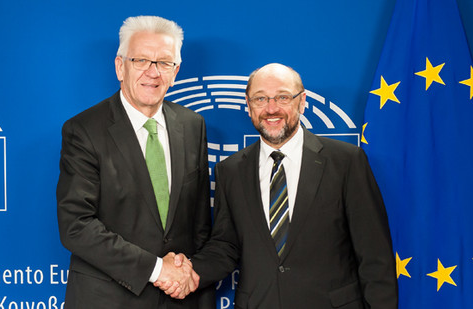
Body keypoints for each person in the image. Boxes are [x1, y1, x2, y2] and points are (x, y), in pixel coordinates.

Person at [163, 63, 398, 308]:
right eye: (260, 98)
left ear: (302, 101)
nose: (271, 108)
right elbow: (226, 246)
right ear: (248, 105)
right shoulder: (230, 171)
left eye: (283, 97)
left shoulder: (346, 162)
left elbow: (375, 257)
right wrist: (188, 271)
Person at [56, 15, 213, 309]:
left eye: (164, 63)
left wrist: (185, 275)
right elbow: (76, 225)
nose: (153, 73)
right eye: (141, 60)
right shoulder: (84, 130)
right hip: (109, 299)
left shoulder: (193, 126)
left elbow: (200, 224)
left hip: (181, 299)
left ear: (175, 71)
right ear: (120, 66)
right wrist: (157, 269)